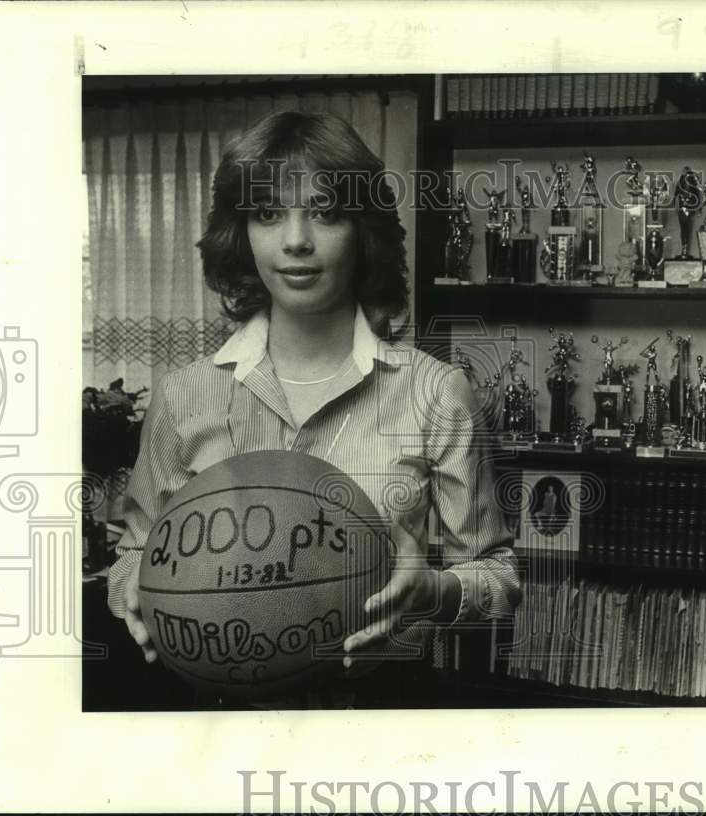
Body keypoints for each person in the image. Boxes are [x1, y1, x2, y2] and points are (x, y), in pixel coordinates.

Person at [106, 110, 521, 706]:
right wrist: (135, 592)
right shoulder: (183, 395)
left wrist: (430, 590)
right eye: (268, 213)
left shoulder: (437, 392)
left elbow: (498, 578)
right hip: (217, 728)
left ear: (364, 231)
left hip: (381, 727)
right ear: (241, 233)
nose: (296, 240)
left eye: (326, 212)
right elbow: (132, 552)